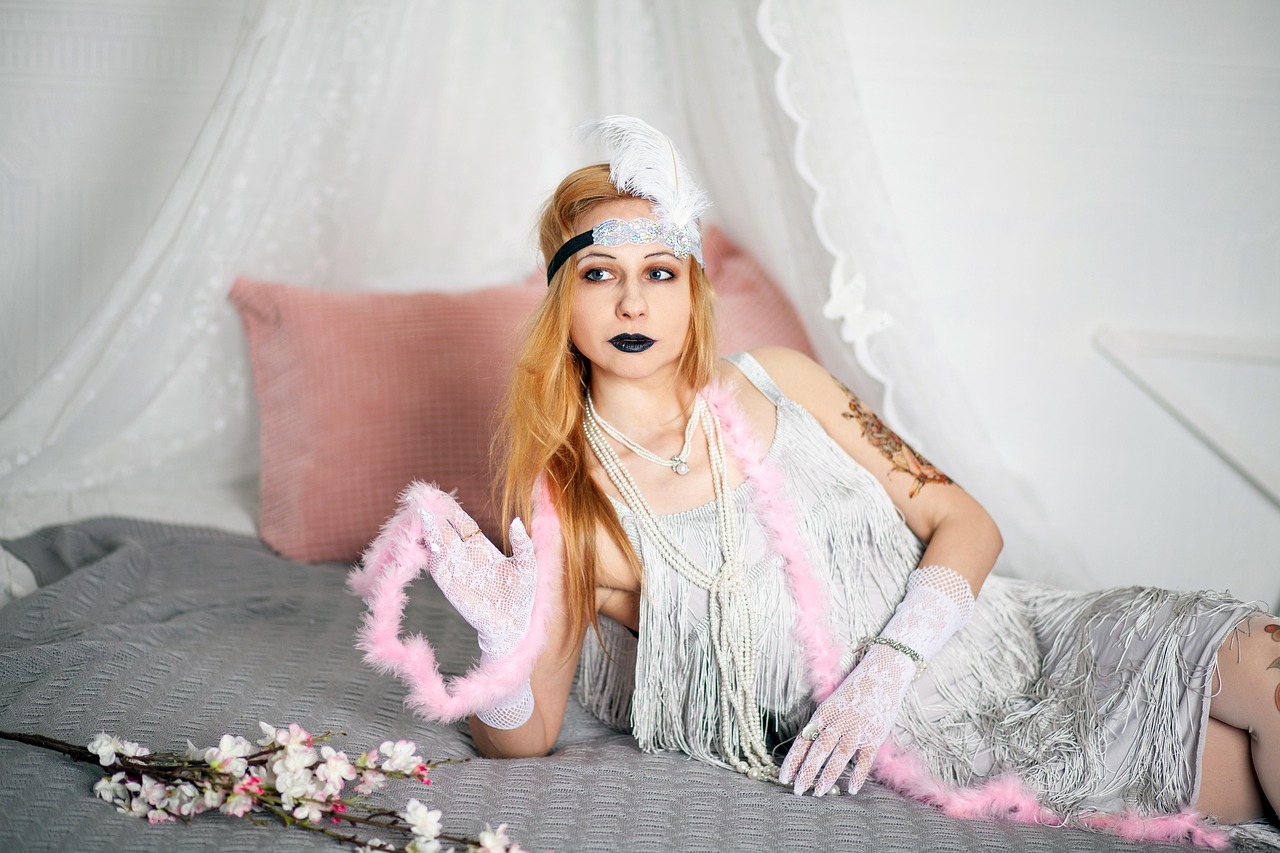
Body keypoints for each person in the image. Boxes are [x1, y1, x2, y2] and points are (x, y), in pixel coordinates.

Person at [356, 117, 1278, 840]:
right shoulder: (574, 504)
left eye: (659, 272)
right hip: (971, 742)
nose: (633, 300)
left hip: (1039, 633)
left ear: (691, 292)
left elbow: (968, 521)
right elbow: (523, 740)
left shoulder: (782, 380)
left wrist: (890, 663)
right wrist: (506, 644)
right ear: (564, 299)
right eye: (600, 274)